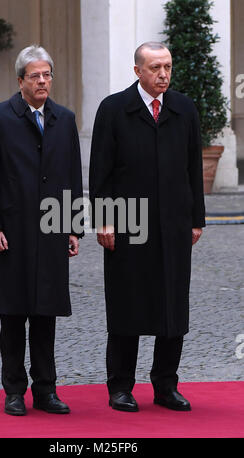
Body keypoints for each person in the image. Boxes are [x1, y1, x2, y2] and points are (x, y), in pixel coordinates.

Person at [89, 42, 205, 412]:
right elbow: (100, 172)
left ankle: (165, 385)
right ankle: (120, 387)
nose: (163, 74)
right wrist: (103, 218)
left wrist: (196, 219)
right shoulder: (113, 109)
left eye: (168, 67)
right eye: (155, 67)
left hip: (173, 224)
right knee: (128, 304)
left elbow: (193, 169)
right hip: (128, 224)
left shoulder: (183, 108)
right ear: (137, 70)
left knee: (172, 306)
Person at [0, 45, 83, 416]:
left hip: (52, 231)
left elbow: (72, 176)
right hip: (11, 233)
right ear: (20, 80)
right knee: (13, 314)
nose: (42, 81)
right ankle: (14, 391)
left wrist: (73, 227)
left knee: (45, 313)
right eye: (35, 75)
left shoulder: (64, 119)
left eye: (47, 74)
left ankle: (47, 390)